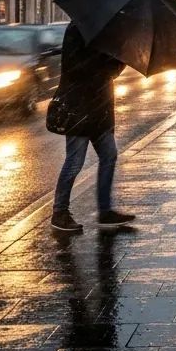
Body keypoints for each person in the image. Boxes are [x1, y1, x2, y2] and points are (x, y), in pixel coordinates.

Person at [50, 22, 135, 233]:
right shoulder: (77, 30)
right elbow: (78, 68)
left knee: (109, 155)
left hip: (100, 109)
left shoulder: (108, 32)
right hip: (79, 107)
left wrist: (120, 55)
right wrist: (106, 56)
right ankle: (59, 212)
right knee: (74, 162)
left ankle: (105, 211)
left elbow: (111, 72)